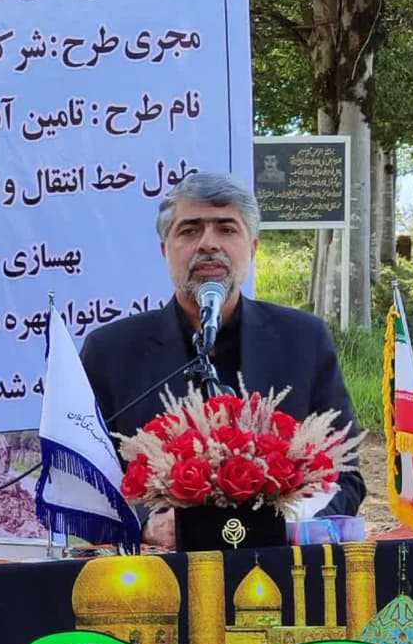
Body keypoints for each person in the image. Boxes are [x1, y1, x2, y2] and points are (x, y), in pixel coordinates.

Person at [80, 172, 365, 548]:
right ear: (165, 250)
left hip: (279, 565)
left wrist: (289, 524)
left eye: (226, 229)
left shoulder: (304, 339)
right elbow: (86, 481)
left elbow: (346, 475)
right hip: (158, 570)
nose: (208, 243)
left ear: (253, 247)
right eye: (190, 230)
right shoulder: (110, 351)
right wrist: (146, 524)